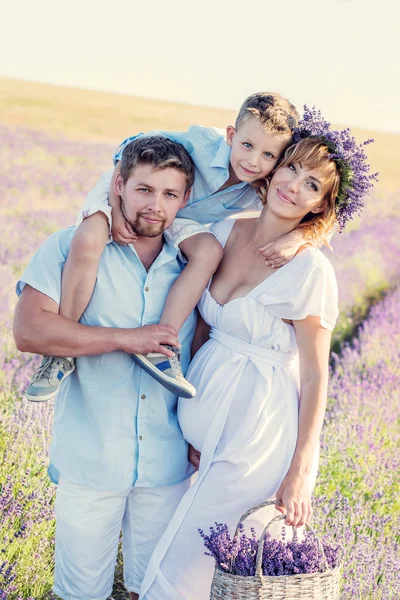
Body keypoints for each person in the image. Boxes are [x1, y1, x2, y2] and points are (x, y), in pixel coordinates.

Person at [138, 108, 377, 600]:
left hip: (257, 431)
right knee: (182, 555)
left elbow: (315, 378)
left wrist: (300, 473)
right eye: (291, 167)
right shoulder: (226, 231)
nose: (293, 185)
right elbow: (202, 325)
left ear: (321, 205)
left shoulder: (311, 271)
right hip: (203, 421)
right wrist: (193, 419)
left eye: (313, 185)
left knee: (185, 565)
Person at [26, 92, 317, 403]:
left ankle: (161, 346)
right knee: (89, 239)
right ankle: (59, 355)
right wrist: (114, 207)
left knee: (208, 252)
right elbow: (132, 147)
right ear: (232, 135)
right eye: (247, 145)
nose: (254, 161)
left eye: (268, 156)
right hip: (131, 191)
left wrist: (300, 237)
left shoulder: (262, 186)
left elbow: (312, 212)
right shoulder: (204, 142)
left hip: (174, 214)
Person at [13, 136, 200, 600]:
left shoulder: (193, 265)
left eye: (170, 194)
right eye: (144, 190)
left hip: (168, 464)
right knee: (80, 595)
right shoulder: (68, 245)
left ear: (185, 199)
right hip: (91, 460)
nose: (155, 206)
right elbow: (30, 332)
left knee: (153, 591)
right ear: (117, 185)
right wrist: (126, 339)